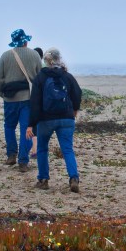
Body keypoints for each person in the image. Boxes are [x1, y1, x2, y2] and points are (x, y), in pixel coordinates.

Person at [26, 47, 82, 192]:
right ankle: (73, 178)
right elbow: (77, 93)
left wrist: (31, 124)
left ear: (46, 61)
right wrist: (75, 109)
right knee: (67, 149)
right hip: (66, 118)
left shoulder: (41, 77)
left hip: (46, 119)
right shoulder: (67, 76)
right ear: (59, 59)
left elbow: (35, 101)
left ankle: (43, 179)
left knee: (42, 148)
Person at [0, 28, 41, 171]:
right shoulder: (34, 55)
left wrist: (2, 92)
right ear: (26, 41)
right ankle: (23, 161)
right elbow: (40, 78)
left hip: (10, 99)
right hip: (28, 98)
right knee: (27, 129)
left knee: (9, 126)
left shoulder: (5, 56)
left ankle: (11, 155)